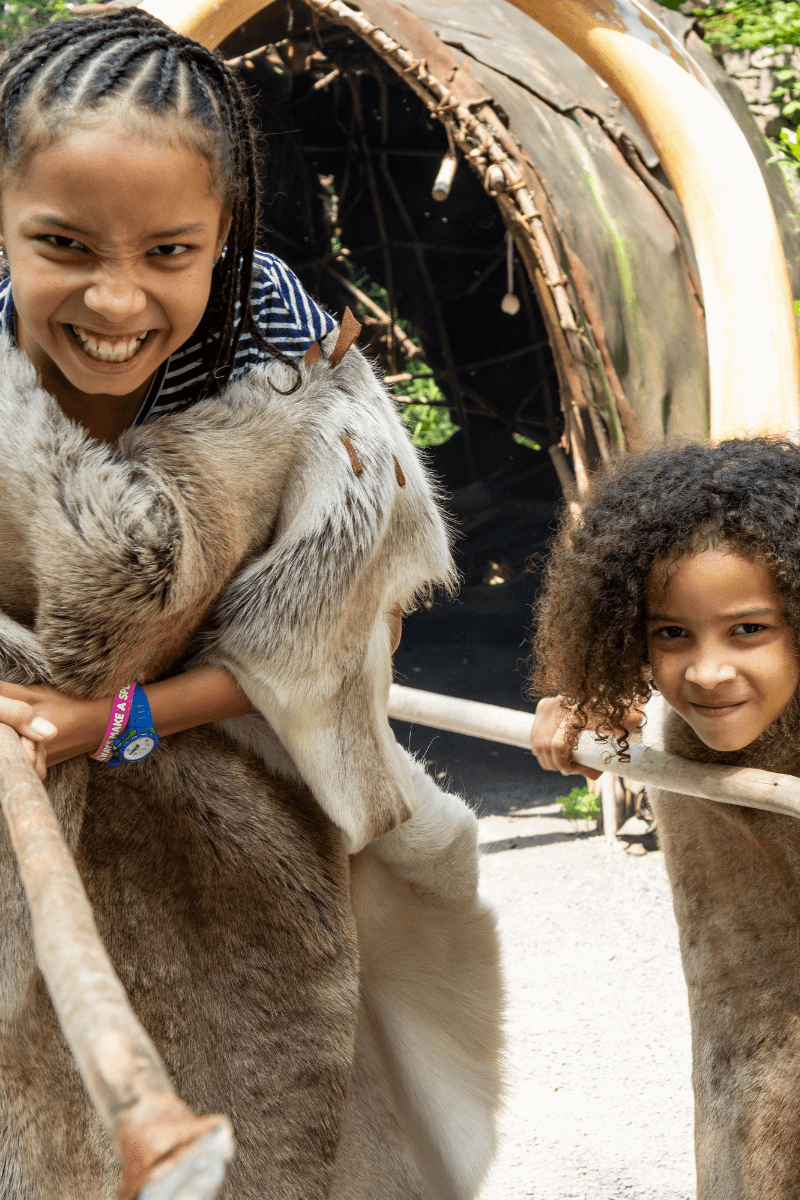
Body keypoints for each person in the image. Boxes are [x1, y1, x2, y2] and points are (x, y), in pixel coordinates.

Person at [0, 5, 392, 779]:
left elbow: (368, 614)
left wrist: (117, 718)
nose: (116, 300)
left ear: (222, 234)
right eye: (63, 245)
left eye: (169, 251)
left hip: (236, 765)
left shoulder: (268, 321)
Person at [529, 438, 800, 1195]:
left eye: (749, 629)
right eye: (671, 634)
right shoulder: (673, 737)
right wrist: (590, 712)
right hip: (745, 1087)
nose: (707, 671)